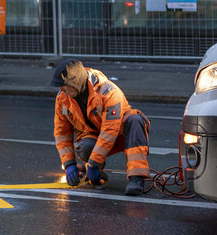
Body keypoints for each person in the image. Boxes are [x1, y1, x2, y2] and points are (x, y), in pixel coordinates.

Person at [50, 59, 151, 196]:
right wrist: (69, 164)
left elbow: (110, 131)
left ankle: (136, 179)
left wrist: (93, 164)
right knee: (85, 146)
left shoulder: (108, 92)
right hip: (95, 136)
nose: (61, 90)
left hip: (121, 134)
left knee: (135, 121)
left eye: (63, 86)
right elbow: (62, 133)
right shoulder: (62, 98)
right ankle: (93, 172)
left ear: (75, 83)